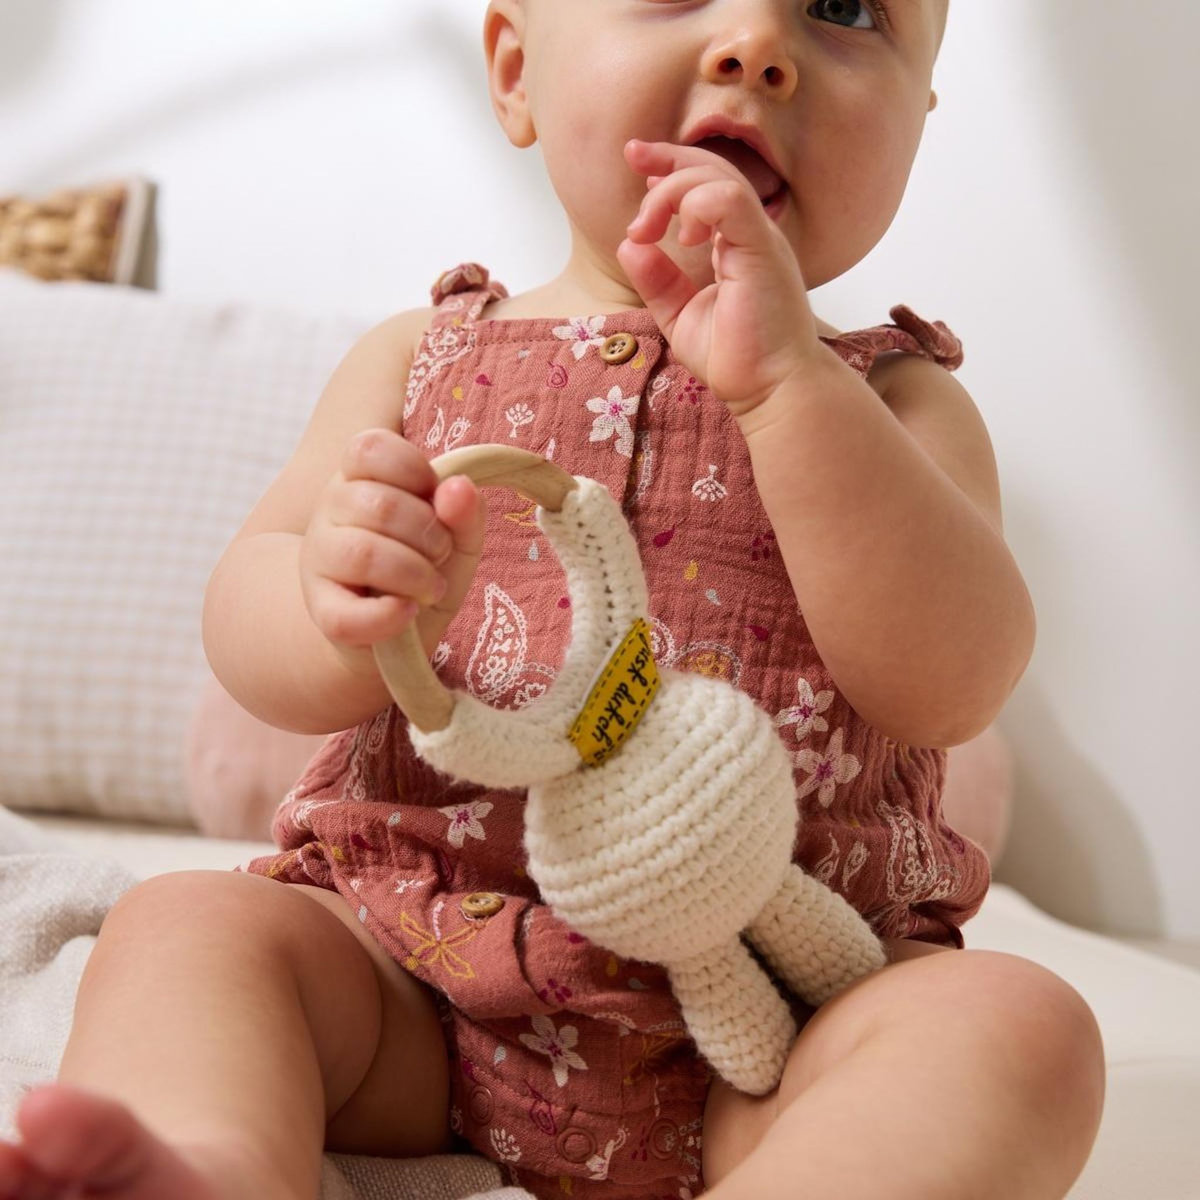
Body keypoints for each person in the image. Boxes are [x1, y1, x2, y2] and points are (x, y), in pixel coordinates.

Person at [0, 1, 1106, 1198]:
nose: (757, 47)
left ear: (916, 125)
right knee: (187, 929)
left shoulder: (899, 404)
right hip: (411, 976)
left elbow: (955, 679)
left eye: (844, 6)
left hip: (782, 1024)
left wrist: (790, 388)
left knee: (1021, 1029)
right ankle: (209, 1165)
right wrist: (334, 597)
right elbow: (245, 622)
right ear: (518, 72)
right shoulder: (417, 357)